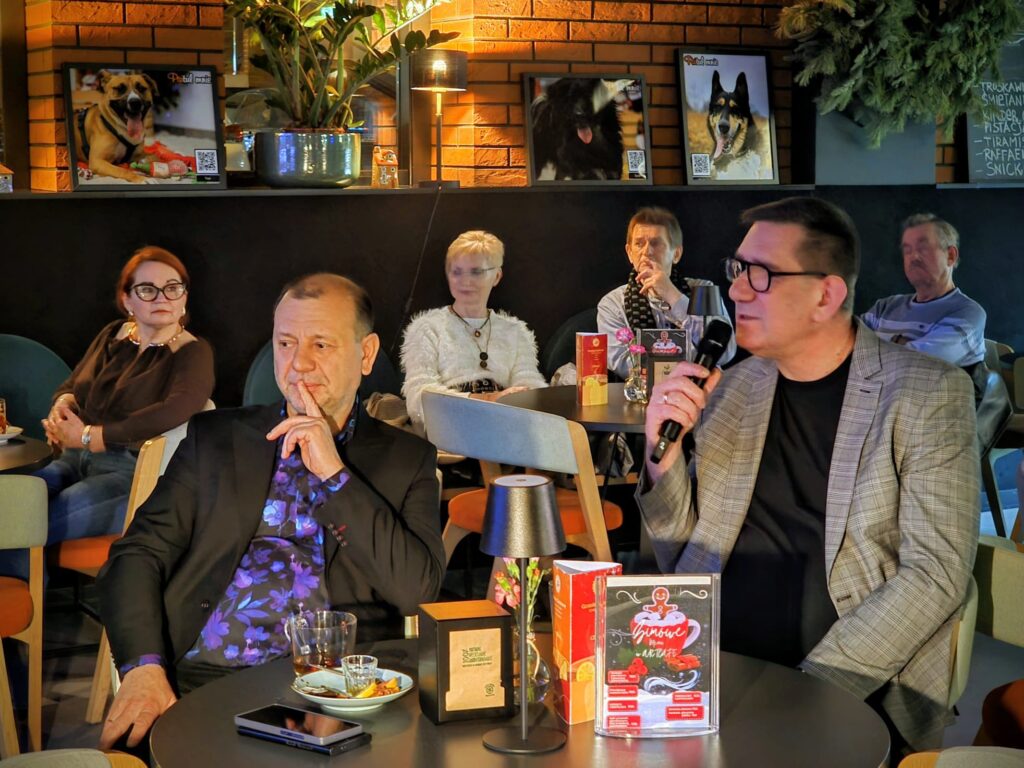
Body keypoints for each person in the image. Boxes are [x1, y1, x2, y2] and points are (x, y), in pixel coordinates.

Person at [638, 197, 978, 753]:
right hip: (707, 658)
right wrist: (663, 457)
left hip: (847, 674)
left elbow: (935, 575)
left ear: (827, 294)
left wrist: (809, 686)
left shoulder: (927, 393)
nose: (737, 290)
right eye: (737, 269)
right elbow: (678, 554)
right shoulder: (732, 388)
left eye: (760, 274)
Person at [97, 273, 445, 750]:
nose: (299, 363)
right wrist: (142, 668)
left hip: (336, 692)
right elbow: (136, 555)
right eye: (285, 343)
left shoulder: (406, 460)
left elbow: (415, 590)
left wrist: (333, 474)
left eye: (321, 344)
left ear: (366, 355)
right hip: (203, 680)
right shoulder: (216, 439)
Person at [41, 246, 214, 544]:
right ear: (127, 299)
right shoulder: (114, 334)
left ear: (184, 297)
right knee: (13, 502)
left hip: (131, 474)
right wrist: (62, 407)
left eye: (172, 288)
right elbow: (72, 386)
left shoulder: (193, 352)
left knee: (23, 525)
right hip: (74, 459)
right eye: (147, 289)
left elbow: (173, 411)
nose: (162, 298)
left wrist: (90, 436)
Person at [401, 230, 546, 429]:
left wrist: (514, 403)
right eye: (457, 272)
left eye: (476, 272)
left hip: (506, 426)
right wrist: (487, 400)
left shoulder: (516, 332)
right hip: (450, 430)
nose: (465, 281)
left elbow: (532, 386)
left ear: (496, 276)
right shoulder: (426, 328)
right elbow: (418, 397)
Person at [597, 207, 735, 379]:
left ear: (676, 253)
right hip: (643, 393)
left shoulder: (703, 290)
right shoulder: (613, 303)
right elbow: (623, 365)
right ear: (630, 253)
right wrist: (692, 359)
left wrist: (672, 295)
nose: (646, 252)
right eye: (639, 244)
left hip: (701, 391)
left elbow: (725, 353)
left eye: (656, 243)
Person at [862, 213, 986, 367]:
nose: (914, 257)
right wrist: (901, 344)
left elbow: (918, 364)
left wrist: (873, 349)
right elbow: (842, 348)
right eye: (907, 250)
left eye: (923, 248)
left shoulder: (967, 313)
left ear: (951, 256)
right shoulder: (884, 307)